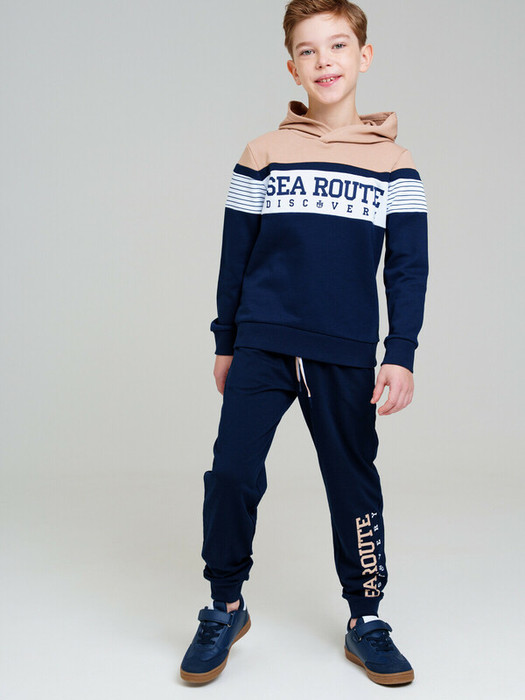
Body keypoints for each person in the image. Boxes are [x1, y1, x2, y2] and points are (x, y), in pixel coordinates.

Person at [180, 0, 428, 687]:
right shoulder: (263, 153)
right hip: (260, 341)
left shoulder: (394, 163)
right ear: (292, 66)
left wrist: (400, 352)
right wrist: (225, 340)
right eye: (309, 50)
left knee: (352, 481)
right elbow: (235, 256)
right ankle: (224, 606)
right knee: (232, 472)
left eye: (338, 45)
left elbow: (407, 268)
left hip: (344, 349)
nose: (325, 61)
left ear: (363, 57)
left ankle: (366, 618)